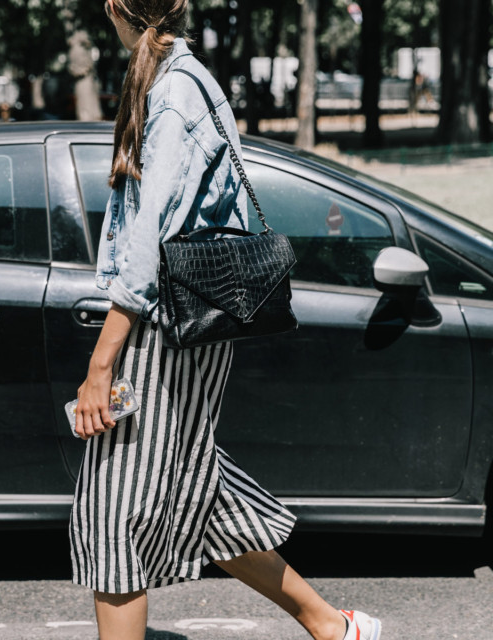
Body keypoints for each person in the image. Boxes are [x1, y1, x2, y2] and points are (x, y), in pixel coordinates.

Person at [69, 2, 382, 640]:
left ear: (115, 9)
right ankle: (332, 626)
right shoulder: (176, 81)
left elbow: (148, 244)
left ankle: (331, 625)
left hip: (165, 328)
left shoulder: (176, 92)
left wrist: (101, 365)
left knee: (113, 507)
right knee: (195, 488)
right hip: (183, 324)